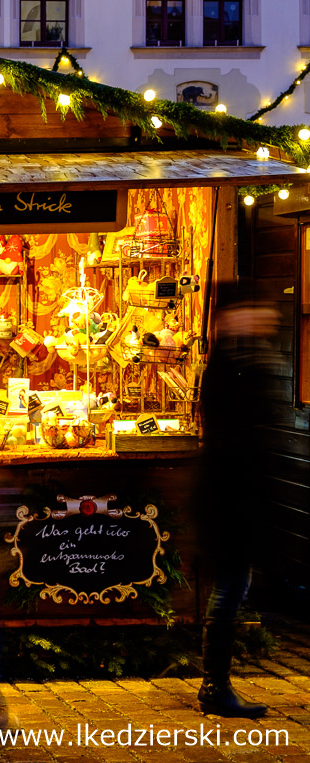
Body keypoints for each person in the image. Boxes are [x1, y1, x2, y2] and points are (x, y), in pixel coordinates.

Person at [195, 282, 279, 718]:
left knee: (233, 584)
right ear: (232, 315)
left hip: (235, 494)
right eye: (255, 308)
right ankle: (215, 685)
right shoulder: (230, 365)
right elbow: (236, 439)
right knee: (230, 586)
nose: (267, 316)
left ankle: (216, 684)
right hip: (230, 496)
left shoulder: (241, 360)